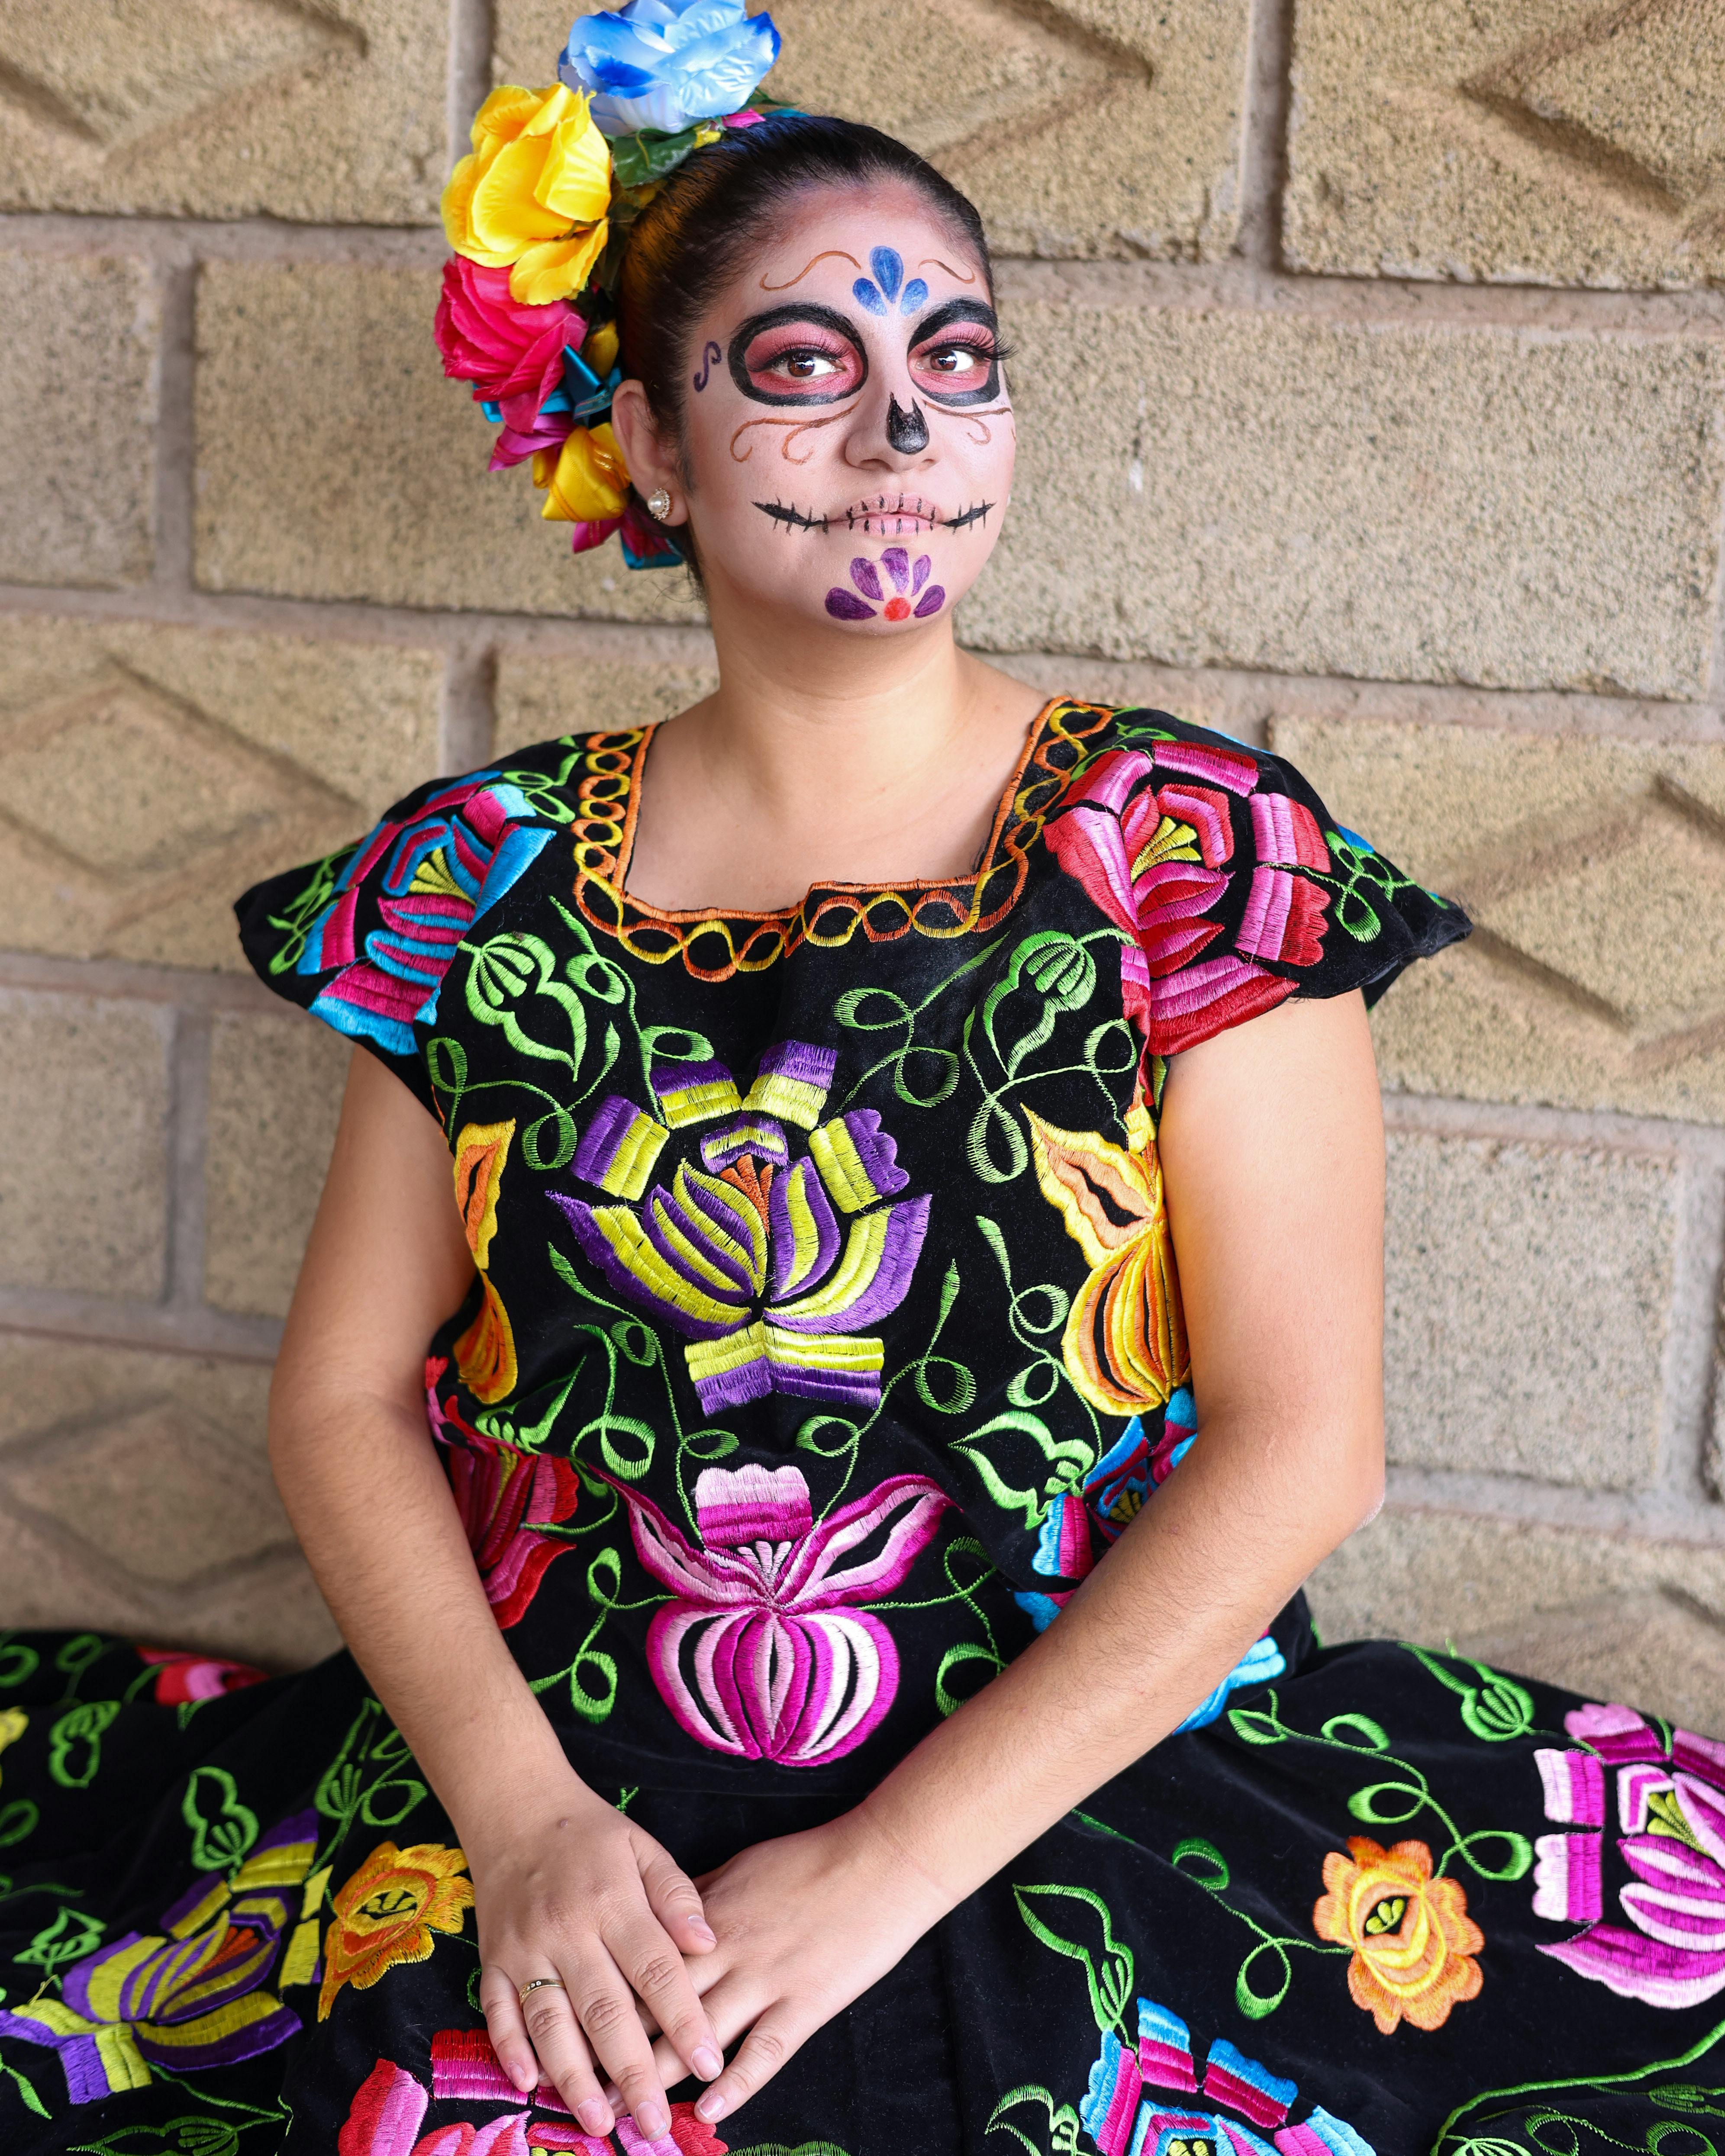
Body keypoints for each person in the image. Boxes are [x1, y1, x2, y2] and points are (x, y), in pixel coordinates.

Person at [3, 21, 1719, 2156]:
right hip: (558, 1778)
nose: (908, 429)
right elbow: (342, 1398)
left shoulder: (1184, 852)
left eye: (963, 362)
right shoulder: (478, 878)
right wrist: (525, 1821)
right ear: (644, 442)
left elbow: (1304, 1445)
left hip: (1077, 1769)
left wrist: (887, 1874)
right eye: (803, 367)